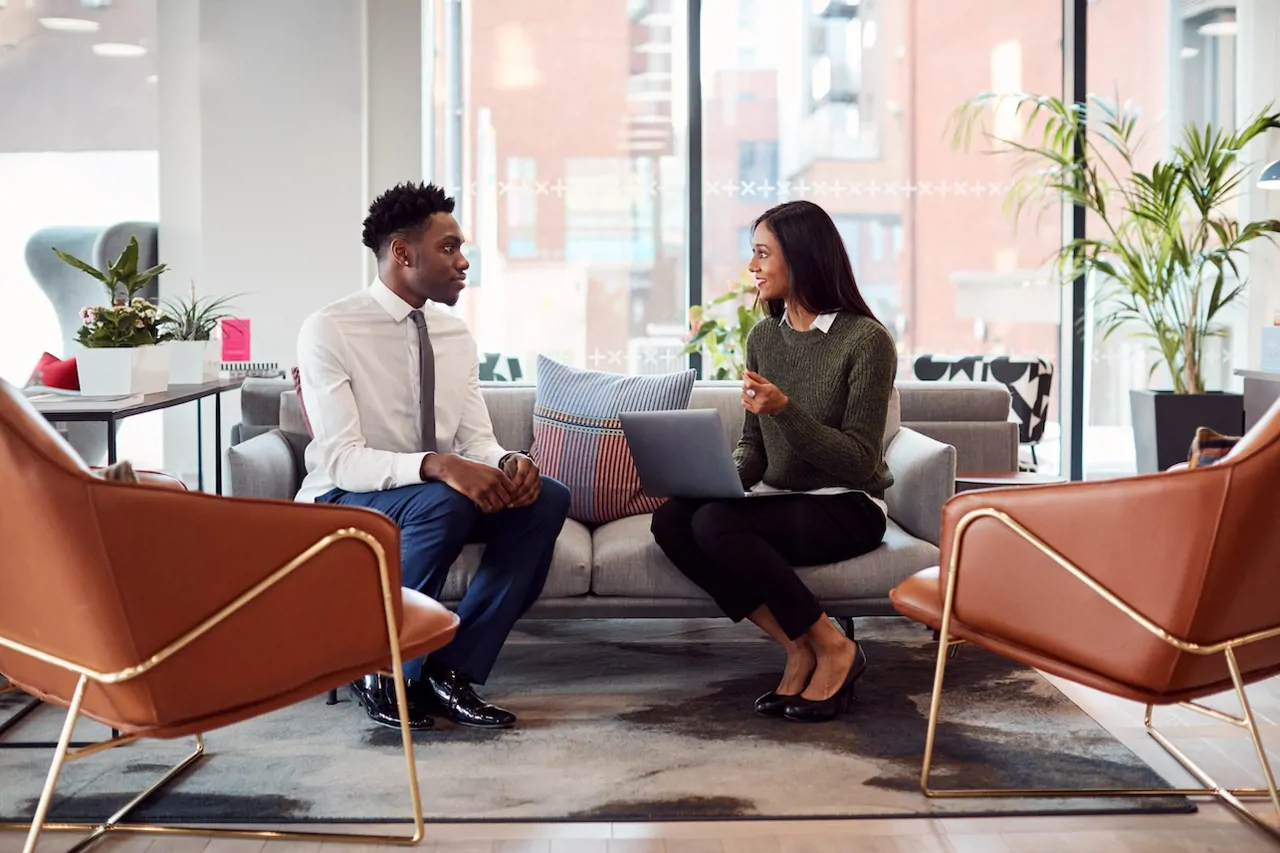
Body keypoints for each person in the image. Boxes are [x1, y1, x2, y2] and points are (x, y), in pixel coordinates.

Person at [295, 181, 571, 732]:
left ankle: (450, 668)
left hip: (437, 497)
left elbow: (475, 441)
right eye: (449, 247)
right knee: (443, 501)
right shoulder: (330, 329)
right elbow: (344, 458)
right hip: (346, 494)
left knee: (546, 501)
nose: (463, 261)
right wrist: (437, 465)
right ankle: (382, 666)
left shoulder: (455, 335)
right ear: (402, 253)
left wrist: (509, 462)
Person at [650, 199, 895, 724]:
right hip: (781, 500)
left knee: (715, 525)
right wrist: (716, 478)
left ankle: (835, 646)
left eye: (762, 254)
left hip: (847, 505)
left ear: (801, 258)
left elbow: (857, 460)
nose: (752, 267)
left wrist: (785, 410)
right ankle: (796, 643)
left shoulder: (867, 341)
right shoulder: (764, 336)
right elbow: (753, 447)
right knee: (673, 519)